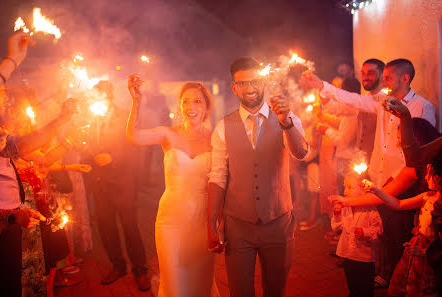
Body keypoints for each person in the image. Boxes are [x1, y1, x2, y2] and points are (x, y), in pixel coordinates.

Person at [208, 57, 309, 297]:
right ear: (234, 87)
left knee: (276, 290)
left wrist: (286, 124)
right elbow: (218, 177)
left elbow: (301, 153)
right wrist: (211, 223)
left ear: (263, 81)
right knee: (240, 291)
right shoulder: (223, 126)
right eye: (242, 83)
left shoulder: (288, 117)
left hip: (278, 223)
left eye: (254, 81)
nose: (250, 88)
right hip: (238, 226)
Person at [127, 75, 219, 297]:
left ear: (207, 107)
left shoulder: (216, 138)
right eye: (185, 101)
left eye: (197, 101)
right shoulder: (168, 134)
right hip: (171, 220)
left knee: (200, 281)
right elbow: (134, 136)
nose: (191, 106)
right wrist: (136, 102)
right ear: (179, 106)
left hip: (202, 222)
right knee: (174, 281)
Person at [301, 58, 435, 191]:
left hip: (403, 182)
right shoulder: (383, 100)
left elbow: (424, 152)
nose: (383, 82)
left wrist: (399, 177)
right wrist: (320, 85)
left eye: (388, 78)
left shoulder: (422, 106)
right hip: (377, 177)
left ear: (405, 79)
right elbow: (354, 100)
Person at [0, 97, 76, 297]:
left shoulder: (5, 137)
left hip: (16, 214)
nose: (3, 100)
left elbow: (27, 147)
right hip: (6, 217)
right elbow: (40, 157)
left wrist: (64, 123)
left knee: (24, 271)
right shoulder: (2, 136)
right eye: (1, 94)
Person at [81, 80, 150, 290]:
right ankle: (117, 265)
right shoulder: (92, 119)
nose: (94, 101)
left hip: (122, 183)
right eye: (93, 97)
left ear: (108, 97)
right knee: (106, 228)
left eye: (98, 96)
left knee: (130, 228)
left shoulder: (124, 117)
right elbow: (90, 147)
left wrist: (113, 157)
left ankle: (140, 270)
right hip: (99, 183)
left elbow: (134, 147)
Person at [364, 152, 442, 297]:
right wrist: (376, 191)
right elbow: (398, 204)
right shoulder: (427, 197)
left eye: (429, 173)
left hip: (431, 254)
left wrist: (424, 253)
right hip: (416, 246)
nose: (425, 177)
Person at [332, 173, 383, 297]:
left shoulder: (370, 209)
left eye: (350, 187)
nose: (345, 191)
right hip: (348, 256)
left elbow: (378, 230)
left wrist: (365, 232)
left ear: (364, 191)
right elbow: (336, 227)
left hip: (364, 259)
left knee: (365, 290)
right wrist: (337, 214)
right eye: (344, 187)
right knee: (352, 286)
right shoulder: (346, 208)